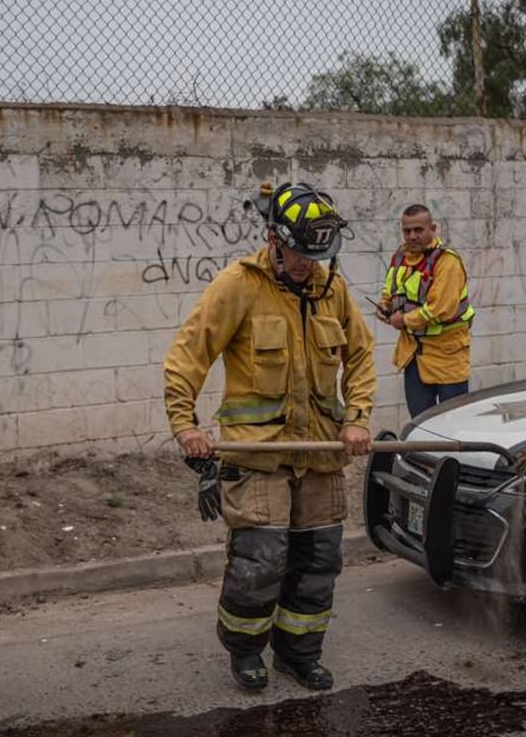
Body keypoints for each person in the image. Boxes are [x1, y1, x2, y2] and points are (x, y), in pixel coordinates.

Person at [164, 182, 376, 693]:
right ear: (274, 239)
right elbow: (189, 353)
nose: (309, 264)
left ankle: (299, 654)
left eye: (316, 254)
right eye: (300, 253)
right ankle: (245, 652)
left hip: (321, 454)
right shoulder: (240, 284)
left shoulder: (332, 290)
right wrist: (185, 424)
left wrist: (359, 418)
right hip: (258, 457)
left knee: (317, 562)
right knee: (259, 563)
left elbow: (362, 356)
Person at [377, 203, 474, 417]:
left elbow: (441, 310)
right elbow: (390, 288)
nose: (412, 236)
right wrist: (384, 306)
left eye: (418, 230)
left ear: (433, 229)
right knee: (420, 424)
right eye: (407, 230)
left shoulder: (447, 261)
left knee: (453, 425)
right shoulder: (400, 257)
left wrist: (404, 320)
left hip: (447, 358)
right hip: (414, 356)